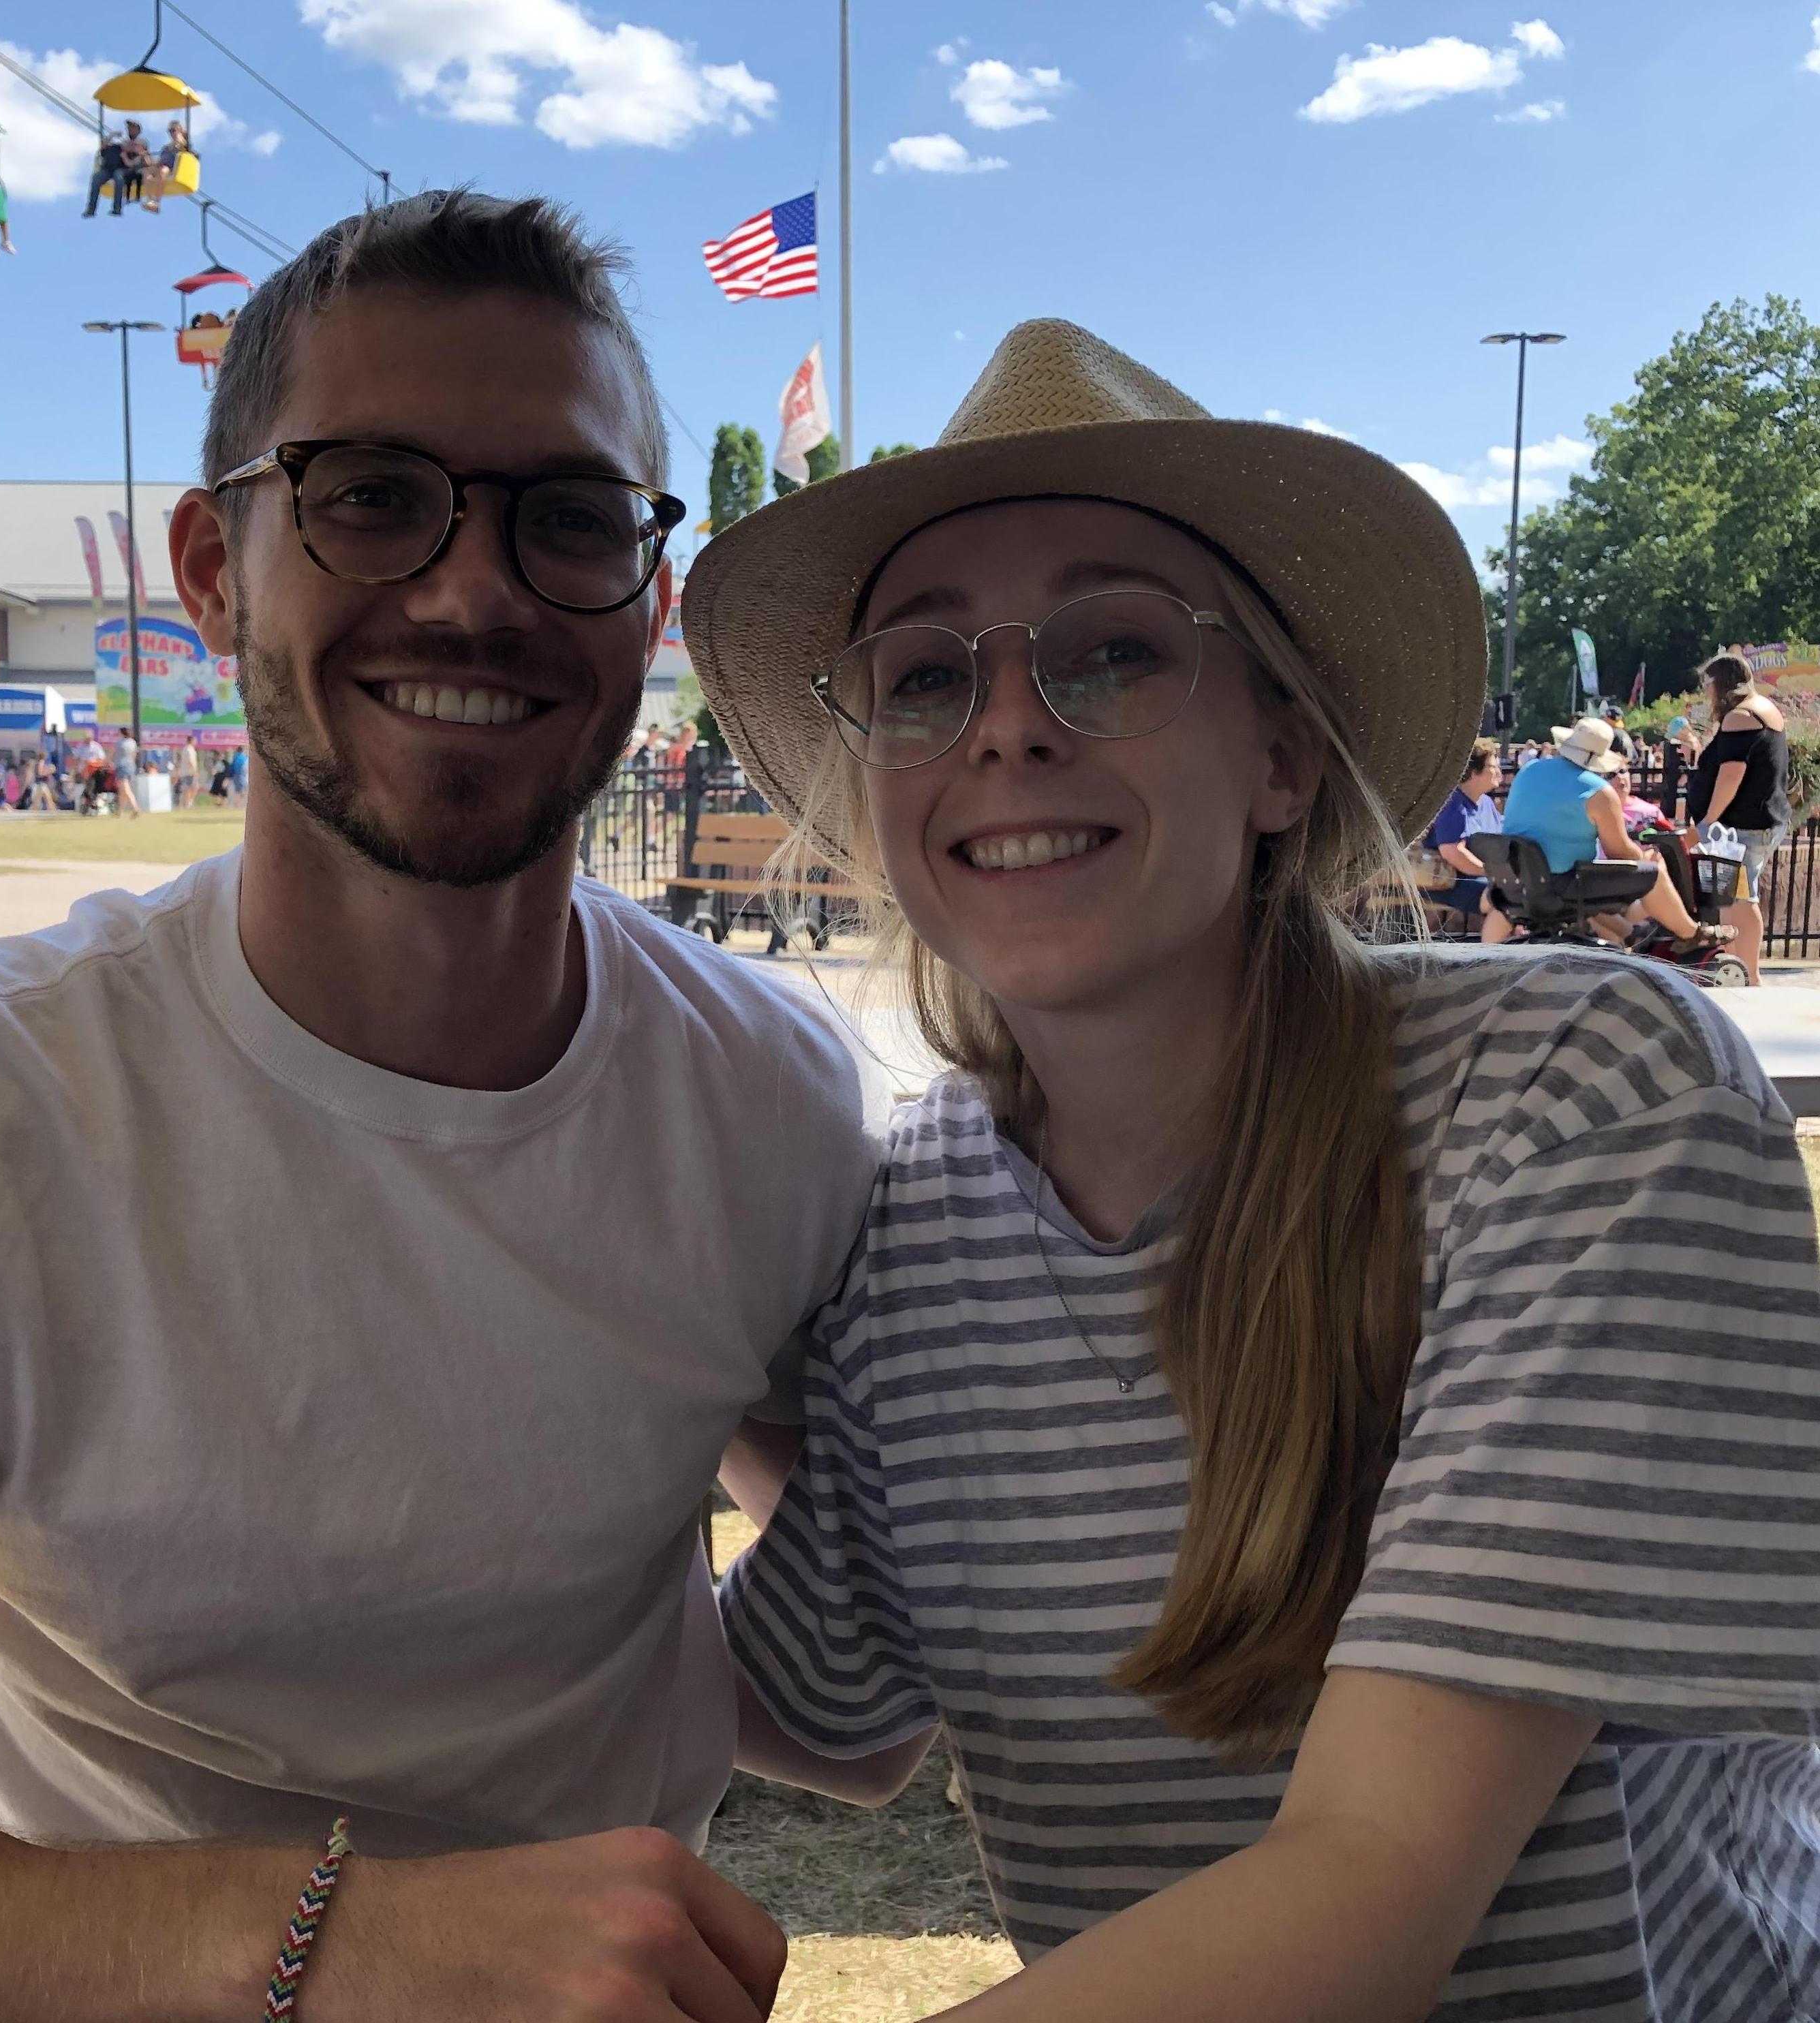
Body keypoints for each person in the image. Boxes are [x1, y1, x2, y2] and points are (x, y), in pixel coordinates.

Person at [0, 189, 880, 2020]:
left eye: (570, 517)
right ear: (214, 572)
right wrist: (341, 1937)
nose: (473, 590)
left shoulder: (764, 1093)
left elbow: (876, 1630)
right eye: (371, 496)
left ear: (650, 592)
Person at [688, 319, 1820, 2023]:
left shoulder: (1579, 1094)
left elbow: (1368, 1888)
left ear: (1284, 755)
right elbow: (835, 1714)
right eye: (926, 674)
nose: (1006, 724)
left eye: (1112, 651)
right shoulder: (913, 1217)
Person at [1502, 716, 1731, 953]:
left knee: (1600, 876)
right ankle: (1690, 933)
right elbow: (1619, 852)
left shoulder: (1529, 770)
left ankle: (1632, 934)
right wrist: (1646, 855)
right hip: (1564, 884)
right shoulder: (1598, 792)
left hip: (1514, 881)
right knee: (1653, 871)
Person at [1685, 651, 1791, 987]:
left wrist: (1706, 823)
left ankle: (1747, 974)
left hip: (1739, 827)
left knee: (1737, 901)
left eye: (1708, 684)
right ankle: (1742, 970)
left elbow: (1731, 776)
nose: (1707, 693)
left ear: (1722, 683)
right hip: (1753, 823)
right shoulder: (1764, 709)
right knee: (1731, 898)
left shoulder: (1740, 717)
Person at [1419, 737, 1508, 942]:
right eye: (1493, 767)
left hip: (1480, 878)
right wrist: (1493, 872)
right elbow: (1452, 852)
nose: (1499, 773)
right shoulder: (1453, 804)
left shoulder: (1486, 803)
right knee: (1507, 900)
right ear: (1473, 772)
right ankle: (1490, 959)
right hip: (1451, 882)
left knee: (1521, 894)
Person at [142, 119, 190, 211]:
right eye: (170, 131)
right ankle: (150, 199)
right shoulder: (167, 147)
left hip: (172, 168)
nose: (172, 133)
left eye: (174, 130)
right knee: (147, 171)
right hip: (162, 166)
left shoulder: (181, 143)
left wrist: (179, 137)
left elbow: (184, 147)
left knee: (163, 171)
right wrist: (146, 157)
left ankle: (157, 201)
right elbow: (158, 162)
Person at [82, 126, 127, 218]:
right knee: (96, 179)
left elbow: (130, 149)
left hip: (119, 169)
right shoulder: (106, 149)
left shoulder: (123, 149)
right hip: (107, 170)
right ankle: (91, 208)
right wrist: (112, 135)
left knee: (119, 180)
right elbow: (103, 145)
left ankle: (117, 208)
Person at [111, 727, 142, 817]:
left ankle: (135, 808)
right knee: (122, 791)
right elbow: (135, 754)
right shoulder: (133, 743)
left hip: (122, 767)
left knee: (126, 789)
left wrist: (106, 763)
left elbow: (112, 753)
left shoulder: (119, 743)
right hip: (131, 766)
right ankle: (120, 812)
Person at [173, 739, 201, 808]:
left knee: (188, 788)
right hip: (190, 772)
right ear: (191, 741)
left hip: (185, 772)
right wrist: (195, 772)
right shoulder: (189, 750)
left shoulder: (185, 749)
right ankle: (188, 802)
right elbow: (191, 761)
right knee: (193, 787)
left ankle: (187, 803)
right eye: (195, 740)